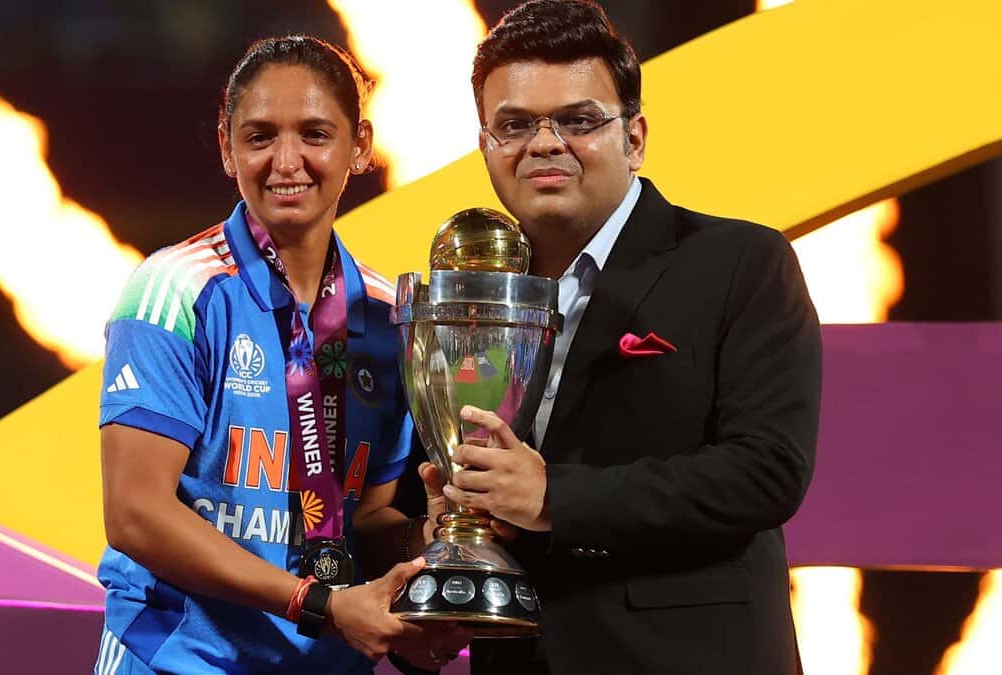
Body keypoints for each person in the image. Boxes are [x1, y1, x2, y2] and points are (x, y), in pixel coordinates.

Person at [415, 1, 823, 673]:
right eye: (514, 124)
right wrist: (447, 526)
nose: (545, 143)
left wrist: (554, 498)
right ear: (486, 143)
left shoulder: (740, 261)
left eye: (579, 121)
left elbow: (765, 471)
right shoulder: (469, 295)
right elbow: (427, 485)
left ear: (635, 138)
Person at [94, 35, 469, 674]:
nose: (286, 160)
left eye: (315, 134)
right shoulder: (174, 289)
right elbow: (136, 515)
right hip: (178, 661)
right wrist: (316, 603)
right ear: (226, 146)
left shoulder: (387, 318)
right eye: (261, 135)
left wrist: (430, 542)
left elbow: (366, 518)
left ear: (360, 146)